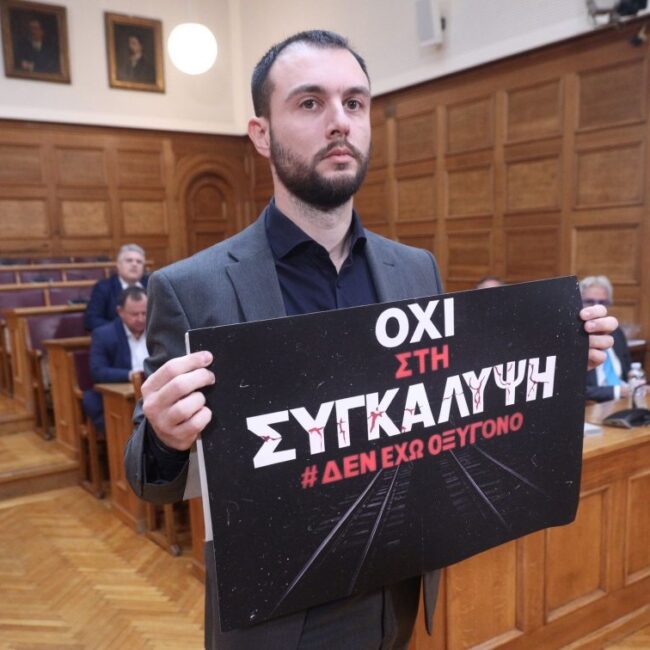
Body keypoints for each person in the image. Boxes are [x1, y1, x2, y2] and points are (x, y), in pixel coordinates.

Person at [124, 30, 618, 650]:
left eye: (354, 103)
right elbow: (151, 478)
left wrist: (561, 358)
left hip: (398, 591)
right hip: (278, 619)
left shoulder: (415, 269)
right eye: (310, 103)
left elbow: (450, 402)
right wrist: (165, 437)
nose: (340, 121)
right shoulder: (191, 288)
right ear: (261, 133)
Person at [83, 286, 148, 432]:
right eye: (134, 314)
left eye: (144, 313)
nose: (141, 319)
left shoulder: (155, 330)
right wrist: (131, 375)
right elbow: (97, 371)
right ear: (120, 312)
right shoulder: (104, 334)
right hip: (123, 396)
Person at [581, 275, 632, 402]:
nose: (596, 307)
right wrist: (617, 391)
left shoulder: (617, 332)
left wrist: (635, 380)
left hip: (625, 399)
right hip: (595, 405)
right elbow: (576, 390)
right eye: (589, 301)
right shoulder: (575, 338)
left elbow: (628, 370)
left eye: (602, 303)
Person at [84, 243, 148, 331]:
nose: (134, 264)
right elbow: (91, 320)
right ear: (118, 265)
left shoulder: (152, 285)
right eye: (129, 260)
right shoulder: (104, 287)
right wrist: (123, 331)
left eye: (139, 262)